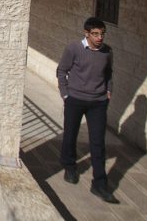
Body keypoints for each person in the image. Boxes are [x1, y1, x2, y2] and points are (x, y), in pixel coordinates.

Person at [57, 17, 119, 204]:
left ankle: (99, 184)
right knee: (70, 135)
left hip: (98, 103)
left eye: (102, 34)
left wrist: (108, 91)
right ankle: (70, 167)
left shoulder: (107, 52)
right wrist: (65, 94)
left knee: (98, 143)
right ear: (86, 33)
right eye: (95, 34)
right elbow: (62, 70)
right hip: (75, 100)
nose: (99, 38)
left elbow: (108, 73)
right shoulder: (74, 49)